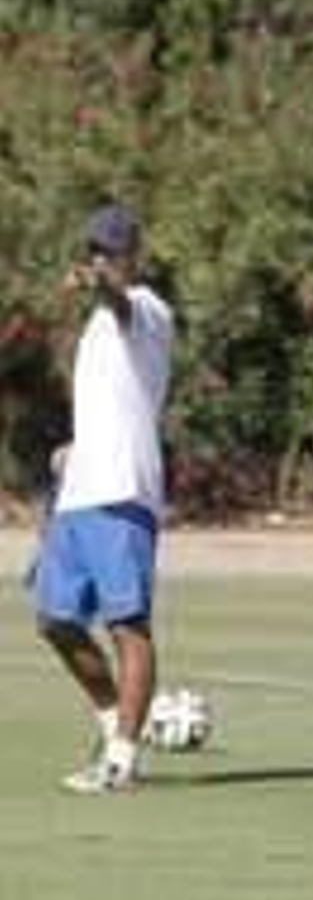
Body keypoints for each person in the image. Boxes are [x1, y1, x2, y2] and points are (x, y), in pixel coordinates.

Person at [33, 203, 175, 794]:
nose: (99, 260)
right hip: (80, 491)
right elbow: (113, 401)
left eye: (110, 252)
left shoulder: (146, 309)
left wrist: (103, 286)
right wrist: (75, 446)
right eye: (94, 251)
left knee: (127, 625)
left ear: (130, 257)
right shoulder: (94, 328)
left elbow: (120, 302)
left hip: (122, 490)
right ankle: (118, 721)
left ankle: (121, 761)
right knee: (55, 620)